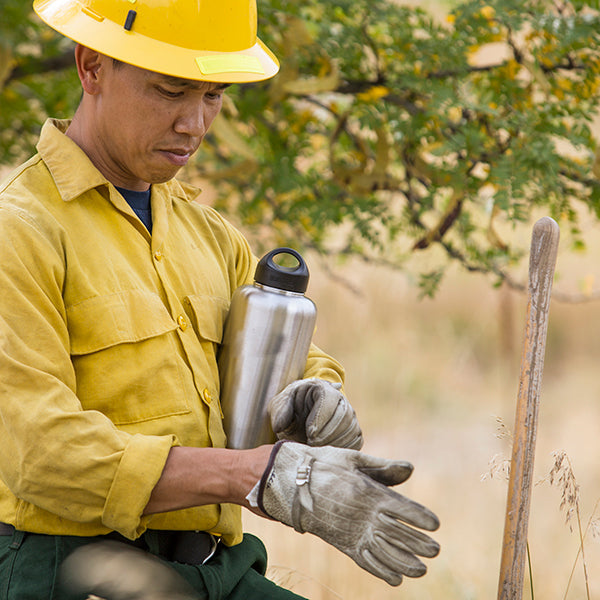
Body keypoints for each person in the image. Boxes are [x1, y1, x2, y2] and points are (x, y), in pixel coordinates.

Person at [0, 1, 440, 599]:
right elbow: (42, 453)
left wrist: (316, 397)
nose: (195, 123)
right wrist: (257, 475)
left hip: (221, 570)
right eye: (171, 89)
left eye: (214, 95)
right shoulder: (19, 230)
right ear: (91, 66)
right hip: (71, 571)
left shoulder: (211, 236)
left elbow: (277, 366)